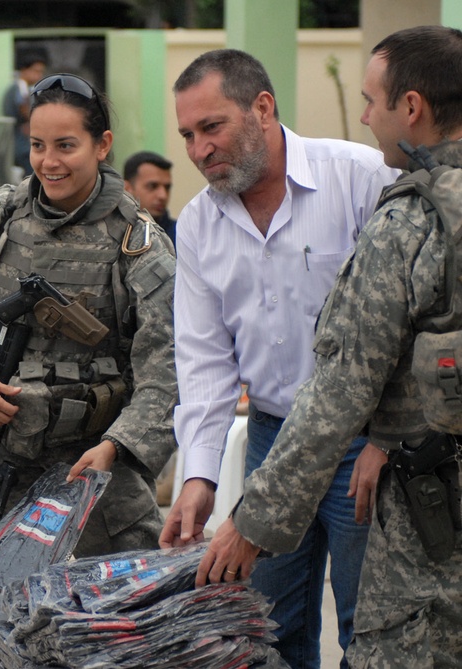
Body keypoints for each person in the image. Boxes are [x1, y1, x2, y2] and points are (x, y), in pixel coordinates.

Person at [196, 26, 462, 668]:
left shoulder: (409, 220)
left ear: (413, 108)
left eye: (373, 101)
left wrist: (249, 521)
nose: (365, 116)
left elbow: (340, 389)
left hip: (429, 508)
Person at [158, 49, 399, 668]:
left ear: (262, 108)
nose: (198, 150)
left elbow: (415, 318)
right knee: (266, 631)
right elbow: (205, 363)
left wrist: (392, 438)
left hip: (362, 446)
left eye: (212, 127)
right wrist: (199, 477)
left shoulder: (361, 177)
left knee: (369, 630)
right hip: (269, 440)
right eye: (187, 135)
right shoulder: (199, 225)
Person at [0, 72, 177, 557]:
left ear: (103, 146)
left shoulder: (137, 242)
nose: (49, 162)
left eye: (66, 145)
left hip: (96, 464)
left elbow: (168, 366)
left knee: (121, 614)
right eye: (37, 145)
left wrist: (117, 448)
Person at [3, 53, 48, 177]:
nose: (39, 75)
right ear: (24, 70)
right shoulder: (16, 91)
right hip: (20, 144)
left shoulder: (29, 90)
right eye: (36, 71)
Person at [123, 151, 176, 244]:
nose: (163, 195)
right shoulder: (108, 235)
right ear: (127, 189)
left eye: (167, 187)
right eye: (153, 186)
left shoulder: (181, 235)